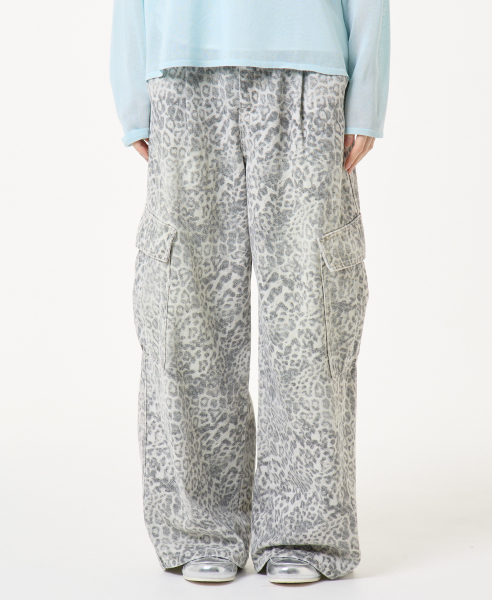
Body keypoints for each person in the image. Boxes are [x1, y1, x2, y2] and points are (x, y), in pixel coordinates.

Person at [110, 0, 390, 585]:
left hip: (308, 72)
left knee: (310, 312)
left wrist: (366, 93)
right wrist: (134, 92)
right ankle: (199, 527)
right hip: (182, 72)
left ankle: (305, 529)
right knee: (185, 310)